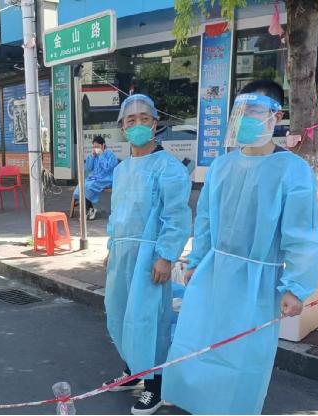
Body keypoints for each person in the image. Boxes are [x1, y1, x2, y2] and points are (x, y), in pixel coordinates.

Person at [162, 80, 318, 414]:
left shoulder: (292, 171)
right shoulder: (222, 166)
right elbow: (206, 220)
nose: (246, 118)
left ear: (276, 116)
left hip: (257, 282)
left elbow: (302, 234)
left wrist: (296, 286)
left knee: (243, 356)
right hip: (213, 272)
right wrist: (196, 260)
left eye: (255, 111)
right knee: (199, 342)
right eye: (241, 111)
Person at [102, 94, 192, 415]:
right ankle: (132, 371)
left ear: (155, 124)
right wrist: (111, 247)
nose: (138, 124)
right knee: (120, 314)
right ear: (123, 127)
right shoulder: (122, 169)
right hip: (122, 255)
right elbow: (117, 215)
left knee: (149, 320)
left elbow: (176, 216)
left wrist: (166, 256)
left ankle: (155, 387)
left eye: (144, 118)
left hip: (150, 257)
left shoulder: (168, 167)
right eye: (131, 120)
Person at [73, 136, 118, 220]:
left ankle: (88, 211)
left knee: (88, 186)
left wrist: (101, 155)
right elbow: (88, 168)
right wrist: (92, 156)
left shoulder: (111, 155)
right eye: (94, 147)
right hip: (94, 178)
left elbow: (107, 168)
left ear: (103, 145)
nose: (95, 149)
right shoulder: (94, 155)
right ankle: (90, 209)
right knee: (82, 185)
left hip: (106, 179)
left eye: (97, 146)